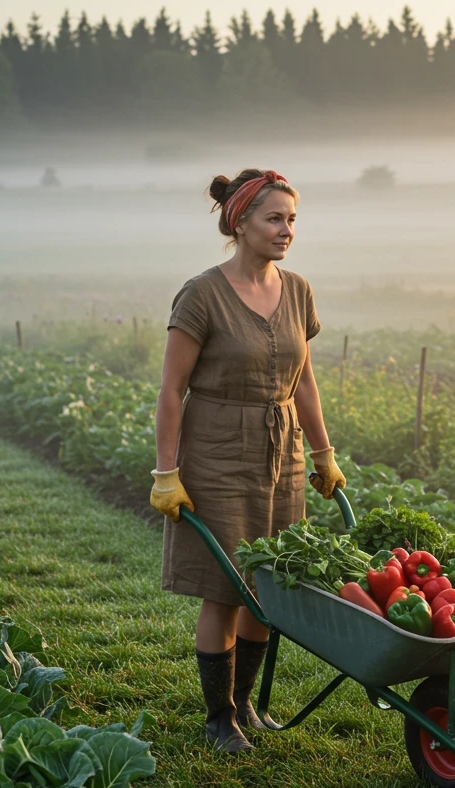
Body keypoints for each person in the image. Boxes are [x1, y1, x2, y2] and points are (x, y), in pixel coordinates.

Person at [149, 168, 346, 752]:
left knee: (269, 584)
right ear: (240, 223)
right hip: (215, 451)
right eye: (275, 219)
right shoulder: (202, 294)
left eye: (292, 220)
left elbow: (304, 380)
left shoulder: (299, 290)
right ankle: (218, 720)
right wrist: (167, 471)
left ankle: (242, 706)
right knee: (225, 586)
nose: (287, 230)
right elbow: (170, 389)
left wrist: (322, 451)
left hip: (279, 451)